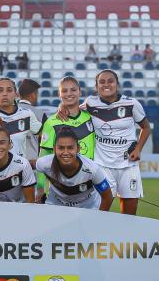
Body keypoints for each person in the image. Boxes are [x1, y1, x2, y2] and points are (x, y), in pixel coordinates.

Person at [59, 70, 150, 215]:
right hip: (102, 166)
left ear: (117, 84)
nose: (106, 84)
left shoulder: (131, 103)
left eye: (110, 81)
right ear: (96, 86)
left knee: (130, 215)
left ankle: (126, 237)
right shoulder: (91, 103)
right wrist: (62, 106)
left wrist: (138, 148)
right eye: (102, 82)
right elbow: (73, 108)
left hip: (128, 165)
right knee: (99, 212)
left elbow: (146, 127)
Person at [38, 76, 95, 200]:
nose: (69, 94)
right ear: (59, 94)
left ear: (80, 92)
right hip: (59, 187)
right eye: (64, 91)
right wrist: (40, 186)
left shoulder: (91, 117)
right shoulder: (51, 122)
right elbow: (44, 156)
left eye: (73, 90)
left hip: (89, 185)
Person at [35, 127, 114, 211]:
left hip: (87, 209)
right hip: (55, 207)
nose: (65, 152)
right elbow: (32, 166)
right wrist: (40, 189)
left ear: (78, 149)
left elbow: (107, 197)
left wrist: (99, 218)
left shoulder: (93, 170)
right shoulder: (43, 164)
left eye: (70, 148)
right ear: (54, 149)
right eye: (61, 148)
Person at [0, 77, 42, 160]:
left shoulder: (27, 114)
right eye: (0, 90)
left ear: (16, 95)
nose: (5, 94)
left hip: (18, 169)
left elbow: (45, 135)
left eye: (9, 90)